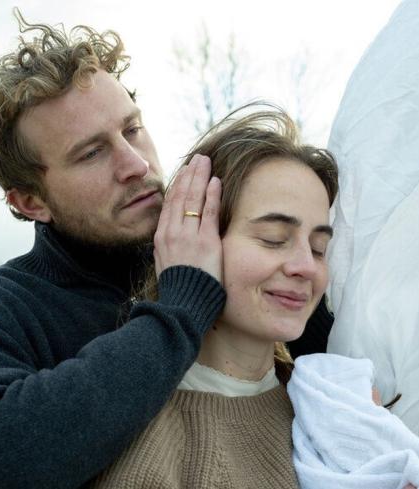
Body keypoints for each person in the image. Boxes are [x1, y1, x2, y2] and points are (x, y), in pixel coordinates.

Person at [0, 13, 333, 489]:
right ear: (30, 201)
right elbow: (0, 460)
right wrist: (184, 304)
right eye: (91, 153)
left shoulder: (235, 259)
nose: (135, 164)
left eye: (132, 129)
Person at [89, 106, 337, 488]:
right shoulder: (150, 454)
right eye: (273, 239)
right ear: (193, 240)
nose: (306, 266)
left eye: (319, 248)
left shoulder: (333, 406)